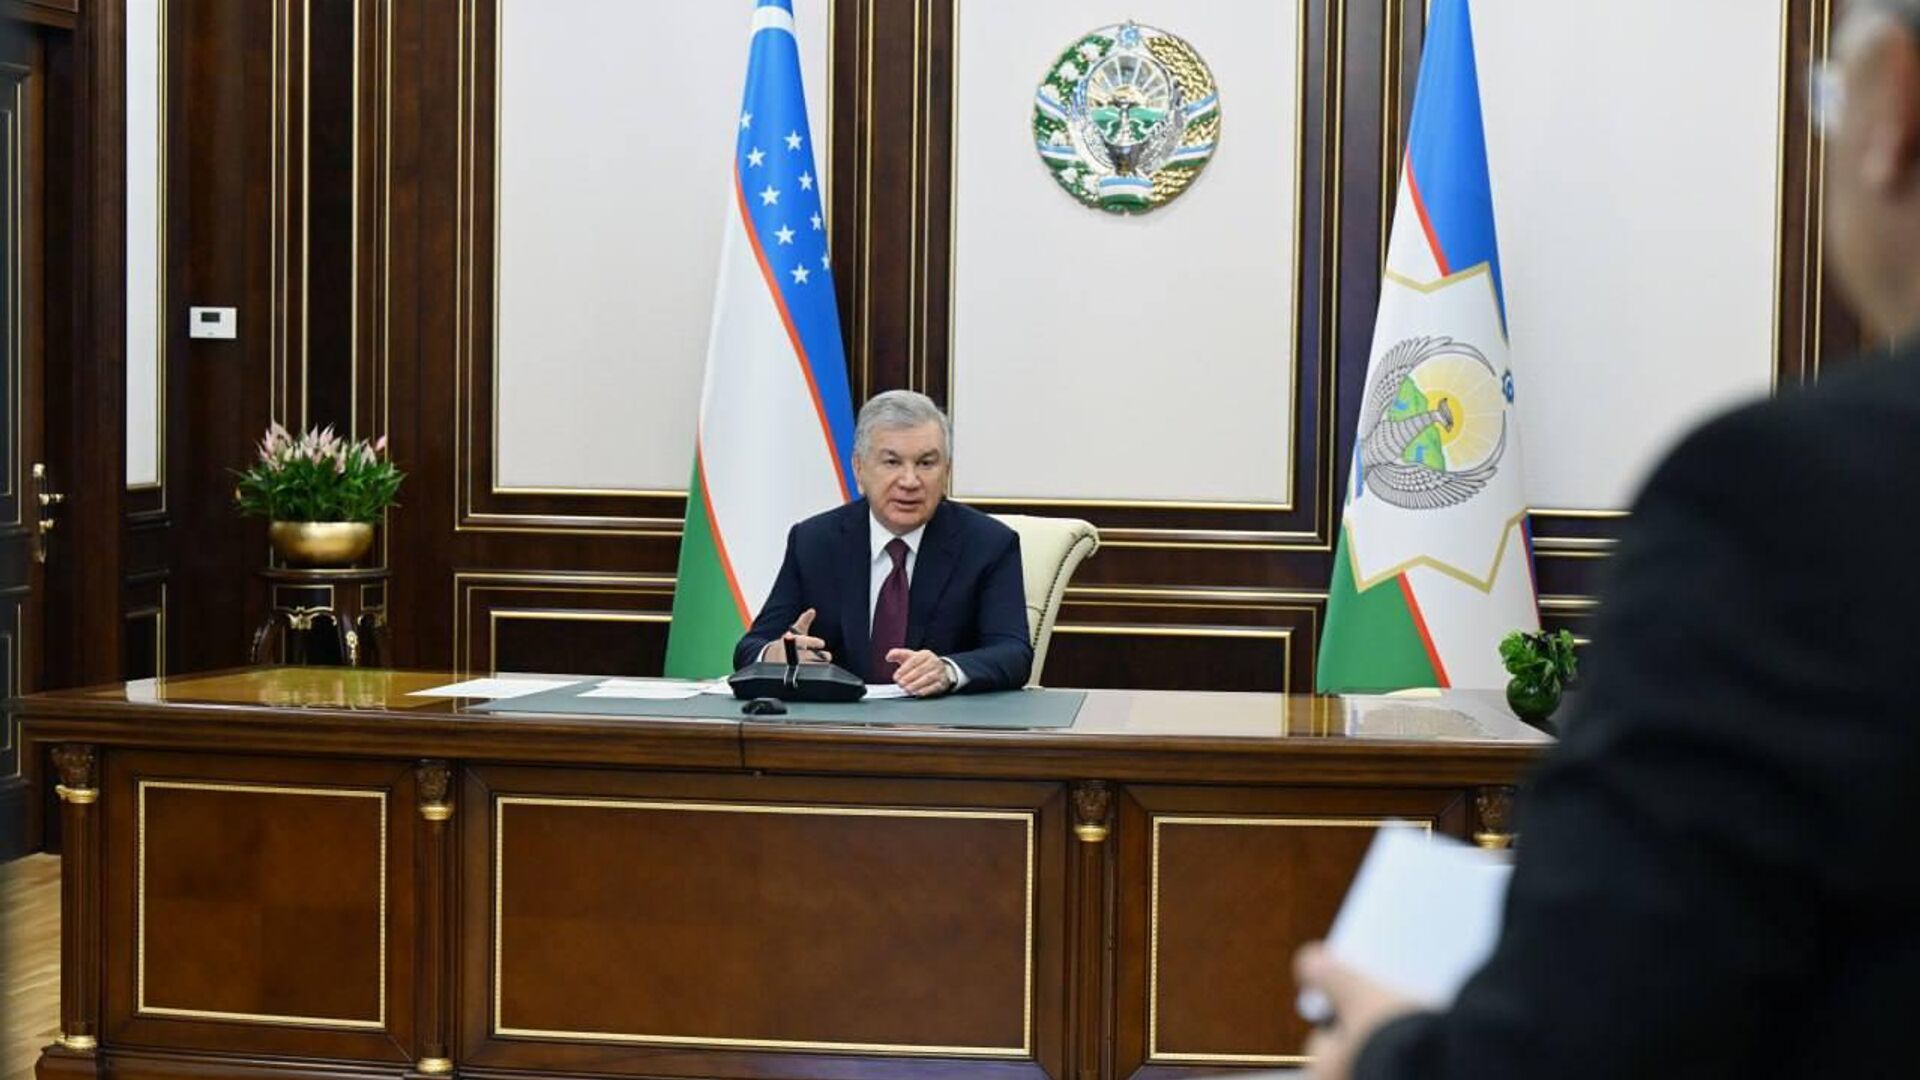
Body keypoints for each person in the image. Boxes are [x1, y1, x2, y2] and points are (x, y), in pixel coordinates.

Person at [1295, 3, 1920, 1076]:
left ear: (1894, 114)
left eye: (1828, 100)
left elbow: (1602, 1031)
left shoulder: (1792, 500)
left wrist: (1380, 1051)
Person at [733, 390, 1032, 695]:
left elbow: (1013, 653)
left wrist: (947, 670)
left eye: (926, 463)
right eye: (892, 462)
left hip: (939, 719)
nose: (910, 481)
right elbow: (750, 648)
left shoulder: (988, 544)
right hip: (837, 720)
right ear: (859, 469)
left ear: (947, 472)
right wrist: (775, 655)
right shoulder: (814, 541)